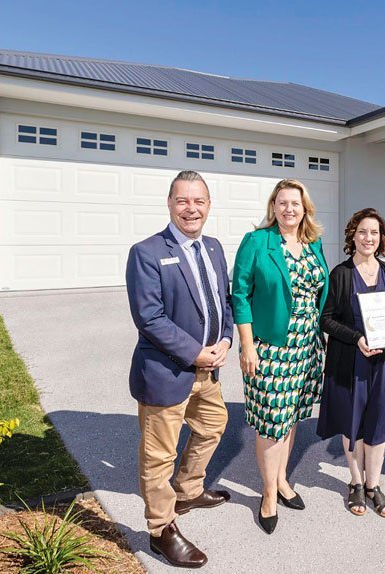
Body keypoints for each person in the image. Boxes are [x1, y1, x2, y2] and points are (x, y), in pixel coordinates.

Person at [125, 170, 234, 568]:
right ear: (170, 204)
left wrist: (224, 340)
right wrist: (195, 353)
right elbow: (150, 318)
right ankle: (161, 529)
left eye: (199, 201)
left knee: (212, 426)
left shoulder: (215, 248)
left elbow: (223, 301)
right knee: (158, 456)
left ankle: (188, 490)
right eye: (183, 201)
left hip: (207, 371)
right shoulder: (148, 252)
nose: (192, 208)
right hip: (166, 372)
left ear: (208, 205)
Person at [232, 178, 328, 534]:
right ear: (273, 206)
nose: (289, 209)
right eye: (283, 202)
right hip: (270, 347)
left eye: (296, 204)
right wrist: (247, 344)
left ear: (305, 209)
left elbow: (320, 291)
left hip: (307, 346)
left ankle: (283, 479)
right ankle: (269, 493)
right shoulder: (257, 241)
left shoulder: (313, 242)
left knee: (289, 420)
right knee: (272, 422)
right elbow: (239, 294)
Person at [317, 208, 385, 518]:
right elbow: (327, 320)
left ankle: (374, 485)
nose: (368, 238)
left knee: (380, 422)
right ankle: (356, 482)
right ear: (352, 236)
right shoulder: (341, 274)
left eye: (374, 232)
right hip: (351, 363)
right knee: (354, 424)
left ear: (381, 238)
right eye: (362, 232)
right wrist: (357, 337)